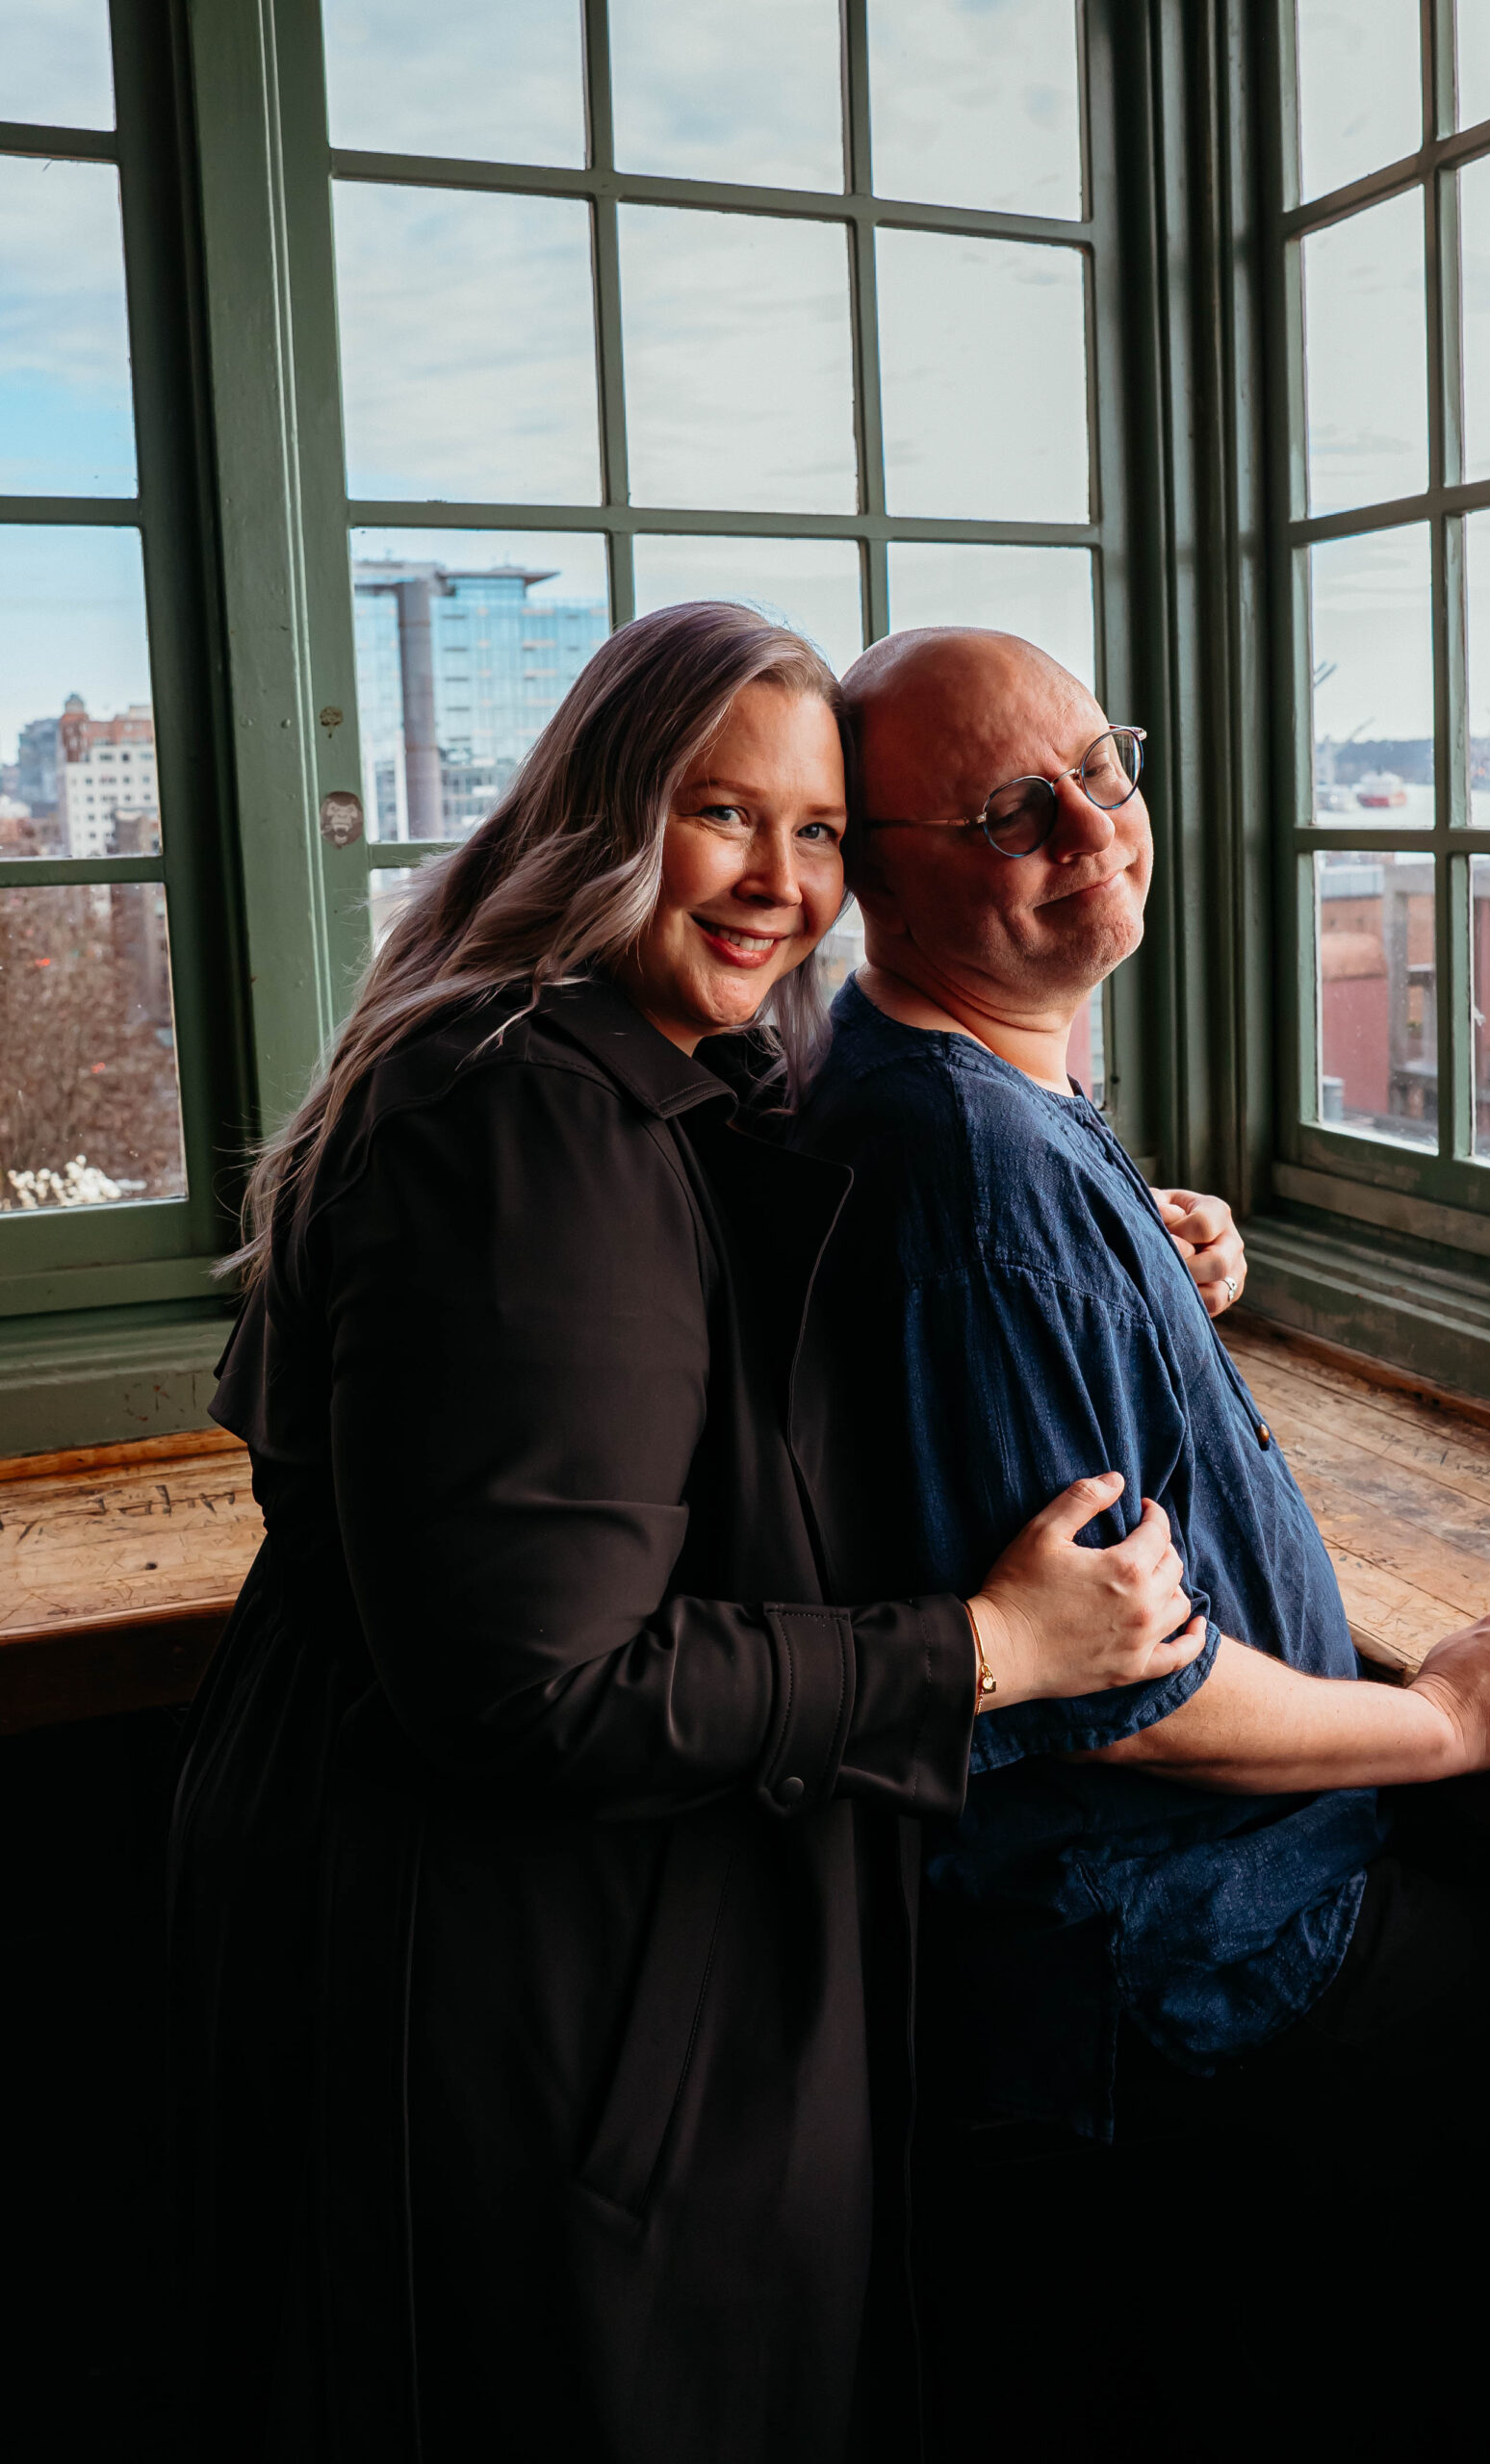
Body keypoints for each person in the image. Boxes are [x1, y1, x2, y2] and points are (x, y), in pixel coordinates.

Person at [165, 604, 1201, 2464]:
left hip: (535, 1941)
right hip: (536, 1979)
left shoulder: (596, 1063)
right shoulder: (523, 1122)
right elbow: (546, 1683)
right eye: (721, 816)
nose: (779, 883)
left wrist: (1142, 1229)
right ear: (600, 815)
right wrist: (990, 1652)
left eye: (816, 835)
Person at [789, 627, 1490, 2452]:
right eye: (1017, 810)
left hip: (1151, 1937)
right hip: (1184, 1968)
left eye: (1105, 764)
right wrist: (1446, 1720)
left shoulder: (950, 1094)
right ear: (874, 870)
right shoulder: (970, 1173)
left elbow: (1016, 1420)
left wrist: (1151, 1294)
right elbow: (1115, 1695)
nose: (1095, 825)